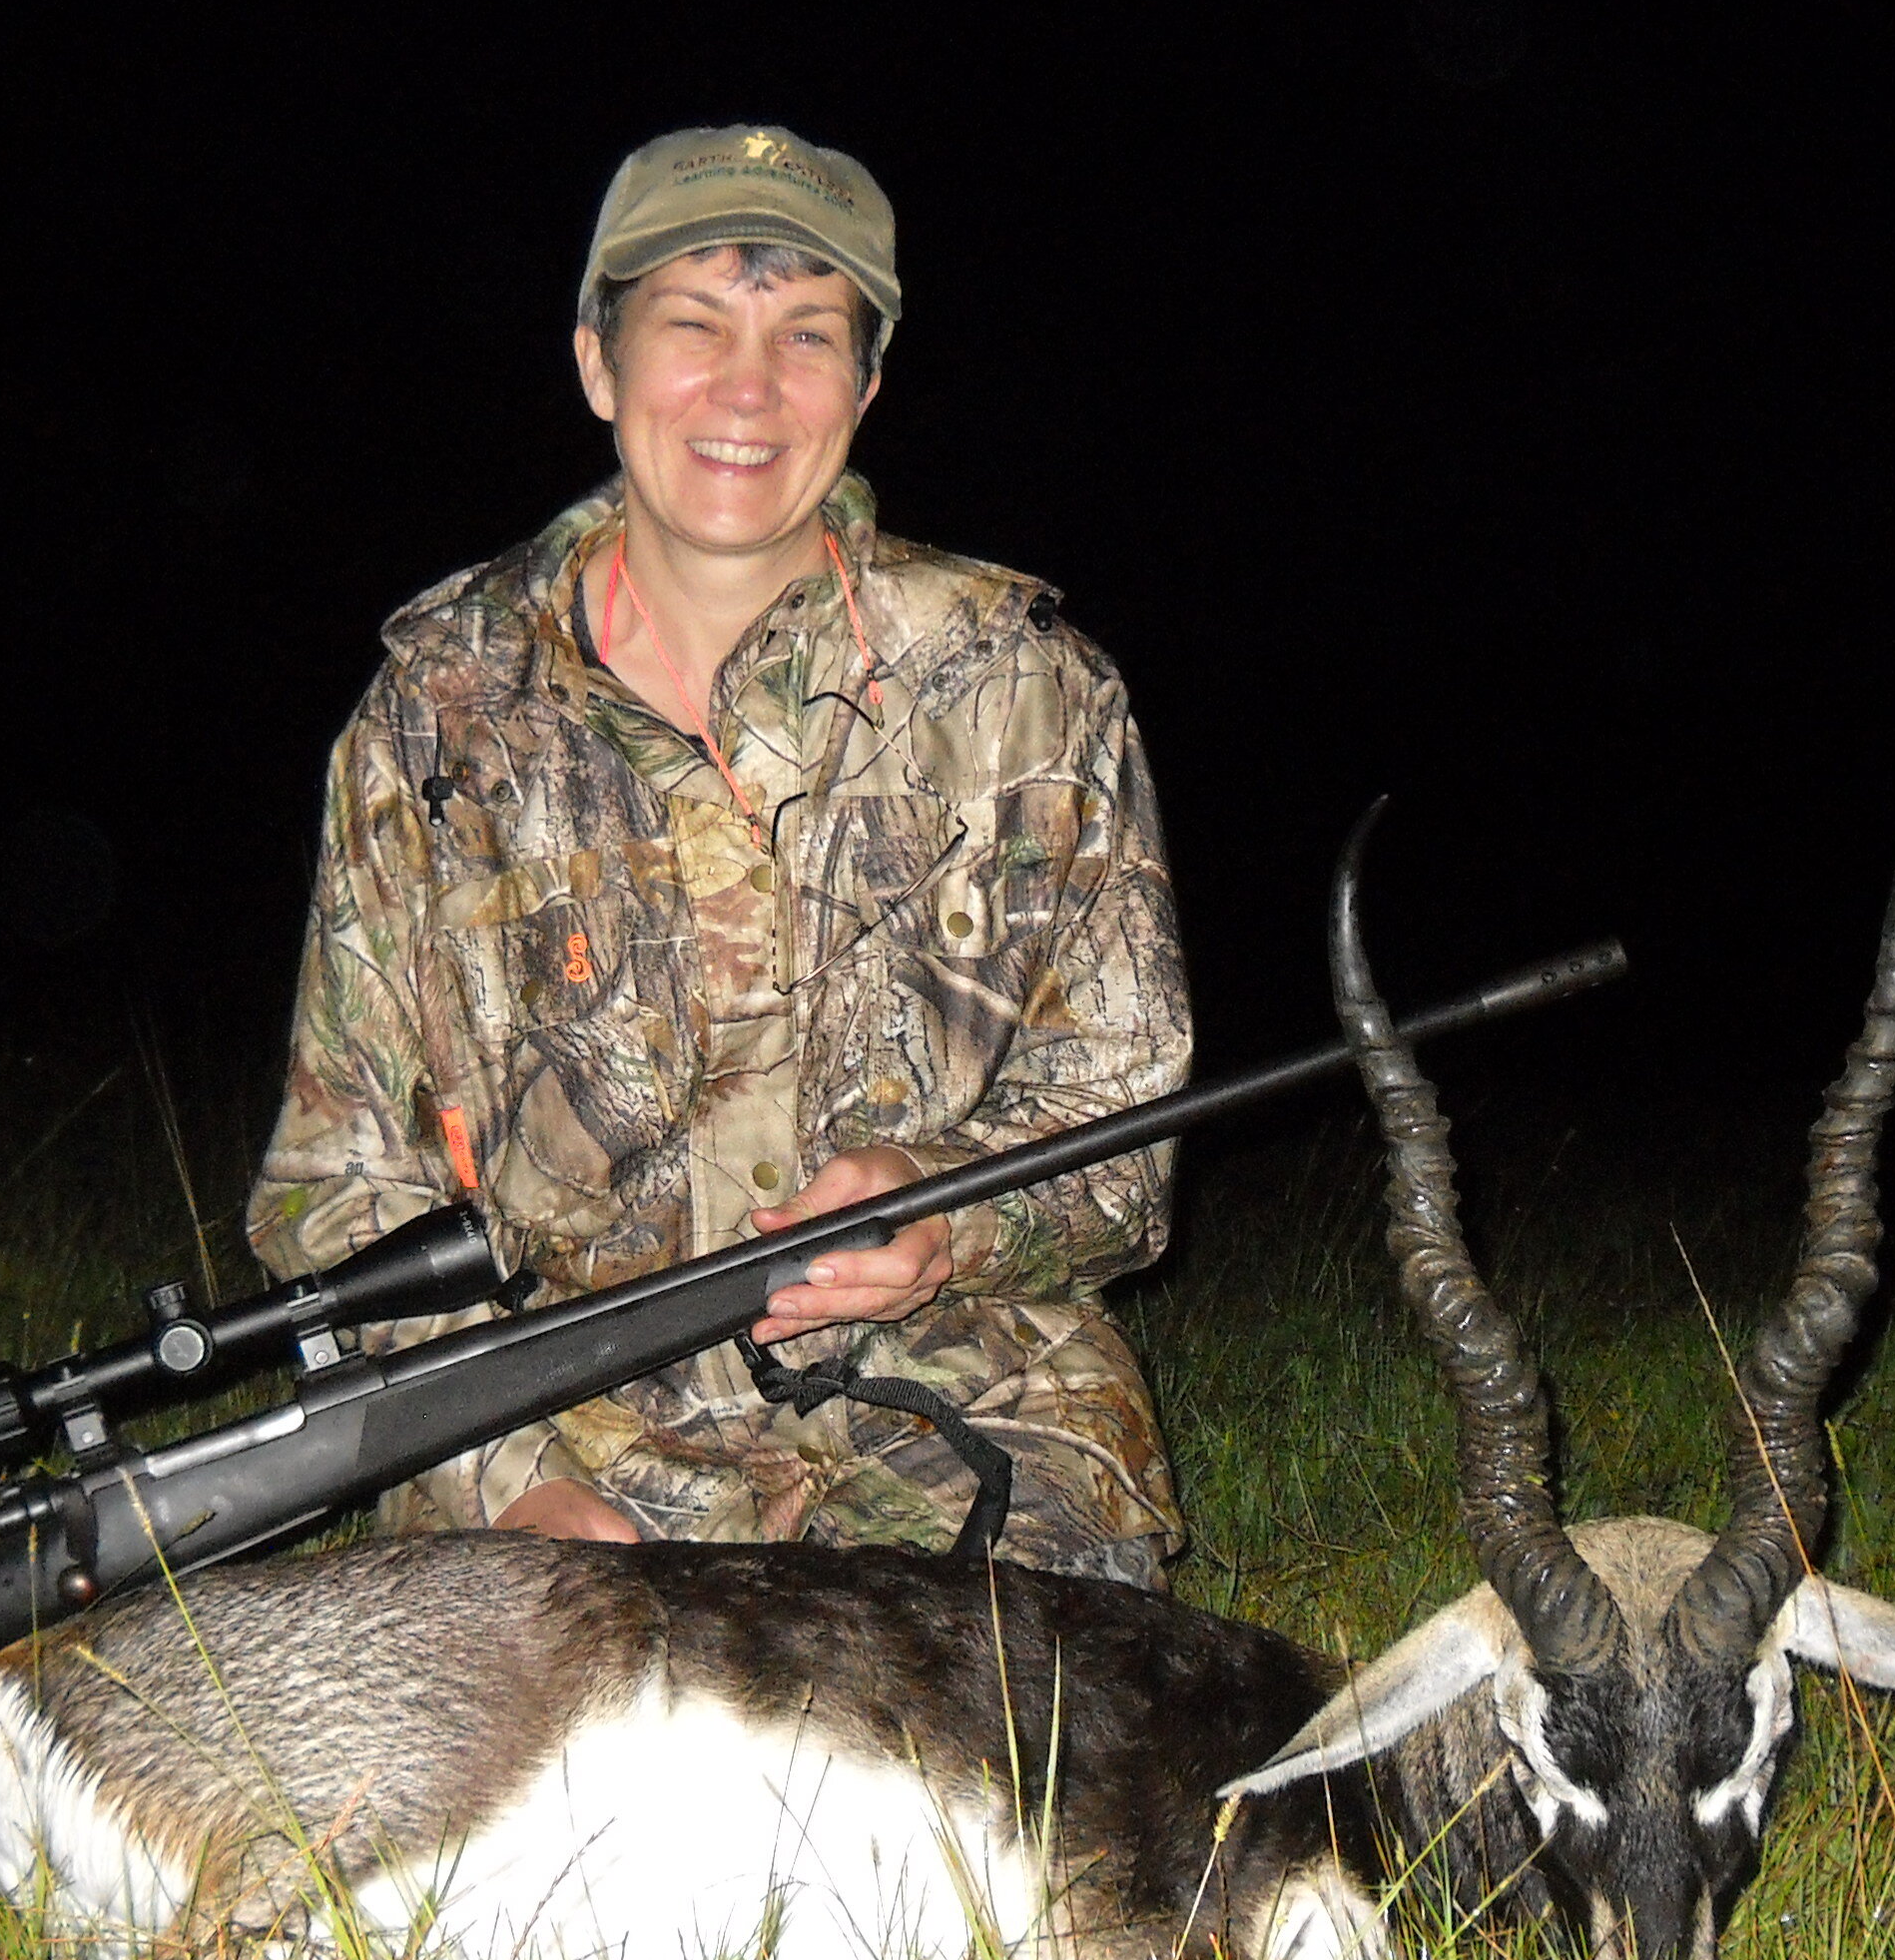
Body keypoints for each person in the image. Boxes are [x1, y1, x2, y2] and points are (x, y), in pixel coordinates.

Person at [245, 125, 1190, 1587]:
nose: (749, 389)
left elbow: (1124, 1151)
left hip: (956, 1388)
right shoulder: (434, 717)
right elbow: (334, 1191)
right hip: (556, 1407)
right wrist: (508, 1474)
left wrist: (952, 1211)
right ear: (597, 363)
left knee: (1020, 1746)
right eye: (694, 324)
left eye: (807, 335)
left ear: (864, 388)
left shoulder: (1030, 689)